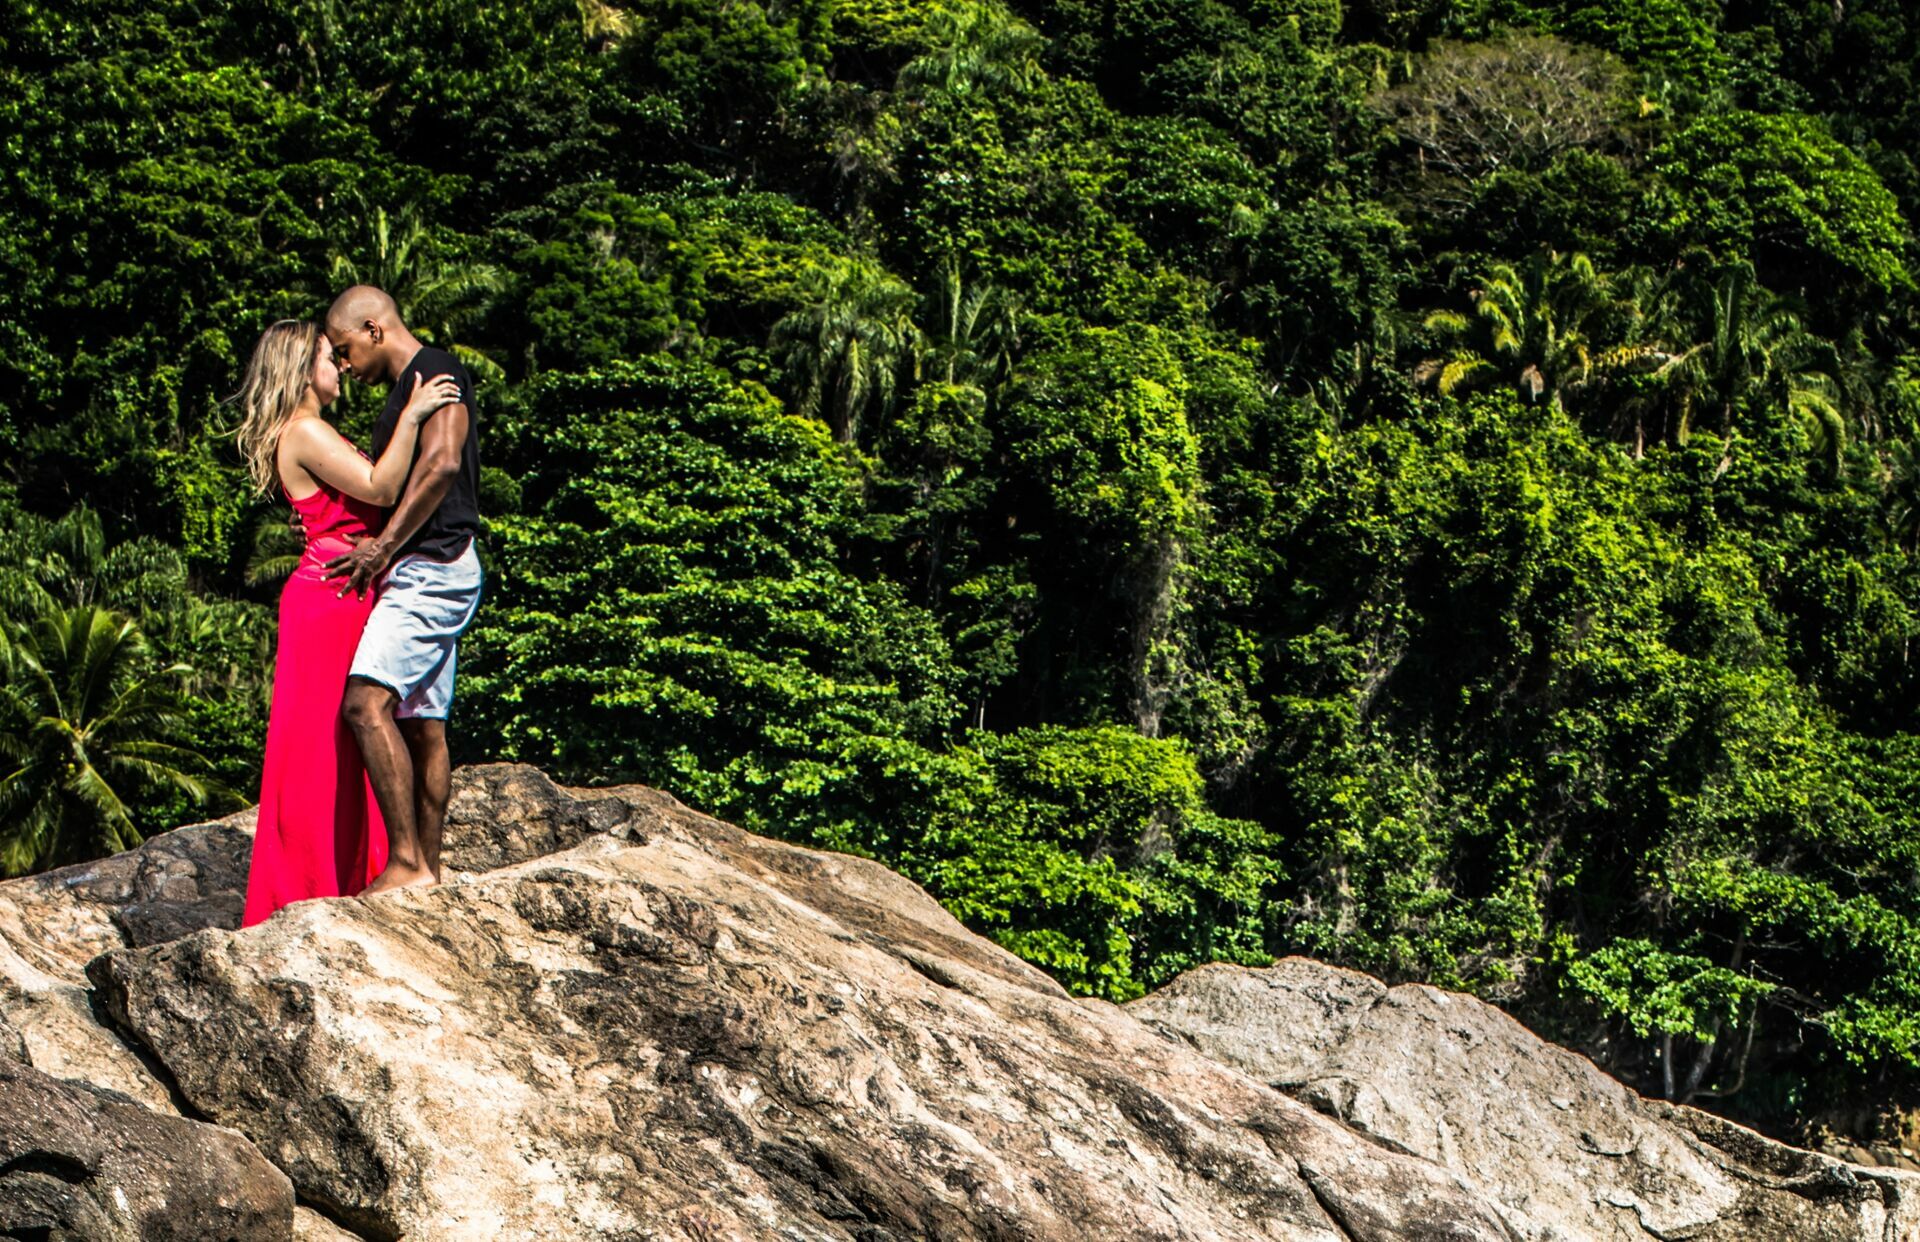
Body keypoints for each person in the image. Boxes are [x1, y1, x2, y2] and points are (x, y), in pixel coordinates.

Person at [234, 319, 462, 926]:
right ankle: (310, 888)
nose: (338, 366)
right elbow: (381, 488)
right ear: (299, 370)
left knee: (350, 739)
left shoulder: (314, 430)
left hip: (348, 593)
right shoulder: (305, 431)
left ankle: (367, 870)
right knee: (324, 746)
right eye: (326, 357)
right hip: (329, 599)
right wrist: (415, 415)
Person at [323, 285, 485, 895]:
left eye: (344, 350)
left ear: (372, 329)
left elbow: (442, 463)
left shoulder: (435, 370)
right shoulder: (409, 388)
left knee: (365, 706)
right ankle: (428, 872)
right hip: (435, 566)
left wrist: (384, 548)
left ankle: (407, 863)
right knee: (424, 727)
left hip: (432, 568)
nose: (343, 365)